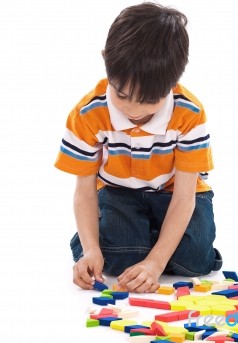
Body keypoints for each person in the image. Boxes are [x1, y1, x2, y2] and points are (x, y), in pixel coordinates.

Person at [54, 2, 222, 293]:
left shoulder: (190, 114)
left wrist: (155, 264)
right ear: (107, 62)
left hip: (174, 194)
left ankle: (148, 240)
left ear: (173, 83)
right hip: (120, 192)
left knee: (195, 262)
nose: (131, 108)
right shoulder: (87, 114)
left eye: (147, 100)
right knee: (119, 260)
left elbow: (185, 197)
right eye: (121, 94)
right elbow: (84, 191)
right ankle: (100, 239)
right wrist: (91, 251)